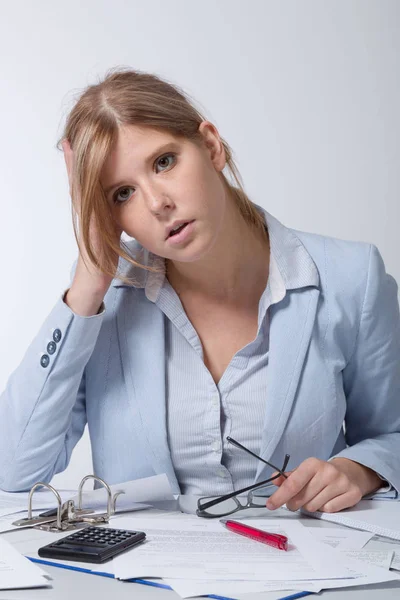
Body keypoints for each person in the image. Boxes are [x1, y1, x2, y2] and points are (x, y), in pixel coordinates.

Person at [1, 68, 399, 515]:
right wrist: (89, 285)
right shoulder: (102, 297)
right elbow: (15, 468)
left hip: (310, 570)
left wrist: (359, 470)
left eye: (164, 162)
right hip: (143, 580)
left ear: (211, 146)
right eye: (122, 194)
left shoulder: (352, 278)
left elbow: (392, 436)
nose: (156, 203)